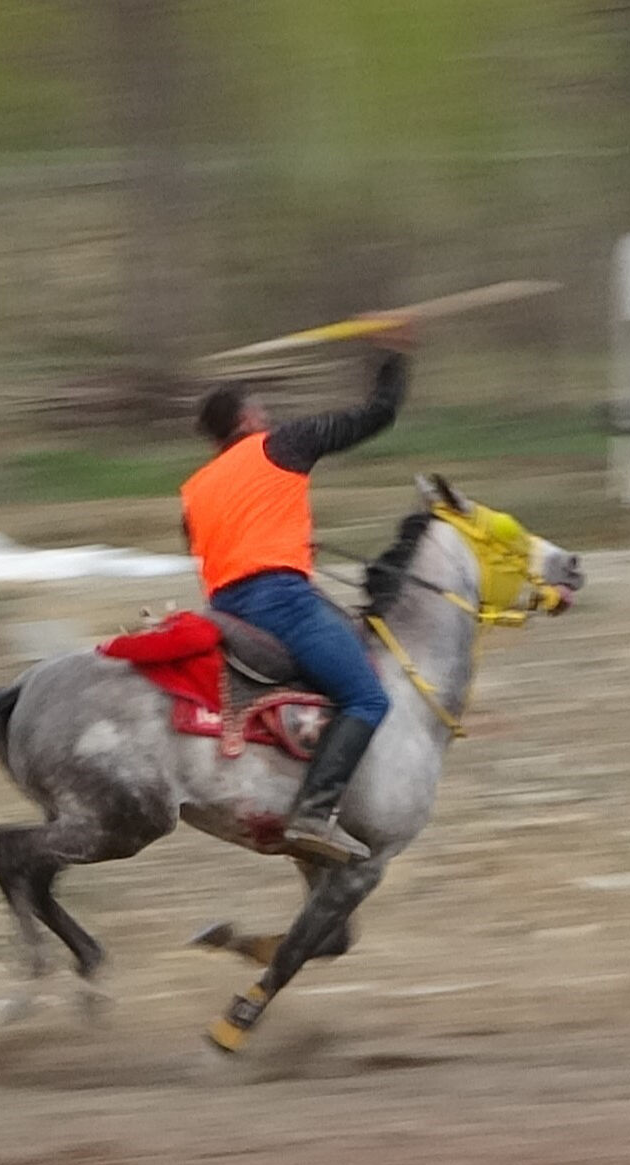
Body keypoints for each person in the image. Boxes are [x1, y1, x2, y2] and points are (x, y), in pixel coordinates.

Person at [182, 316, 418, 865]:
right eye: (260, 409)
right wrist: (392, 356)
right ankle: (315, 811)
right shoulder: (280, 445)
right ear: (246, 419)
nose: (268, 415)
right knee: (367, 695)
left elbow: (218, 540)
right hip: (279, 602)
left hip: (225, 611)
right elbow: (376, 415)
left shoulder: (195, 488)